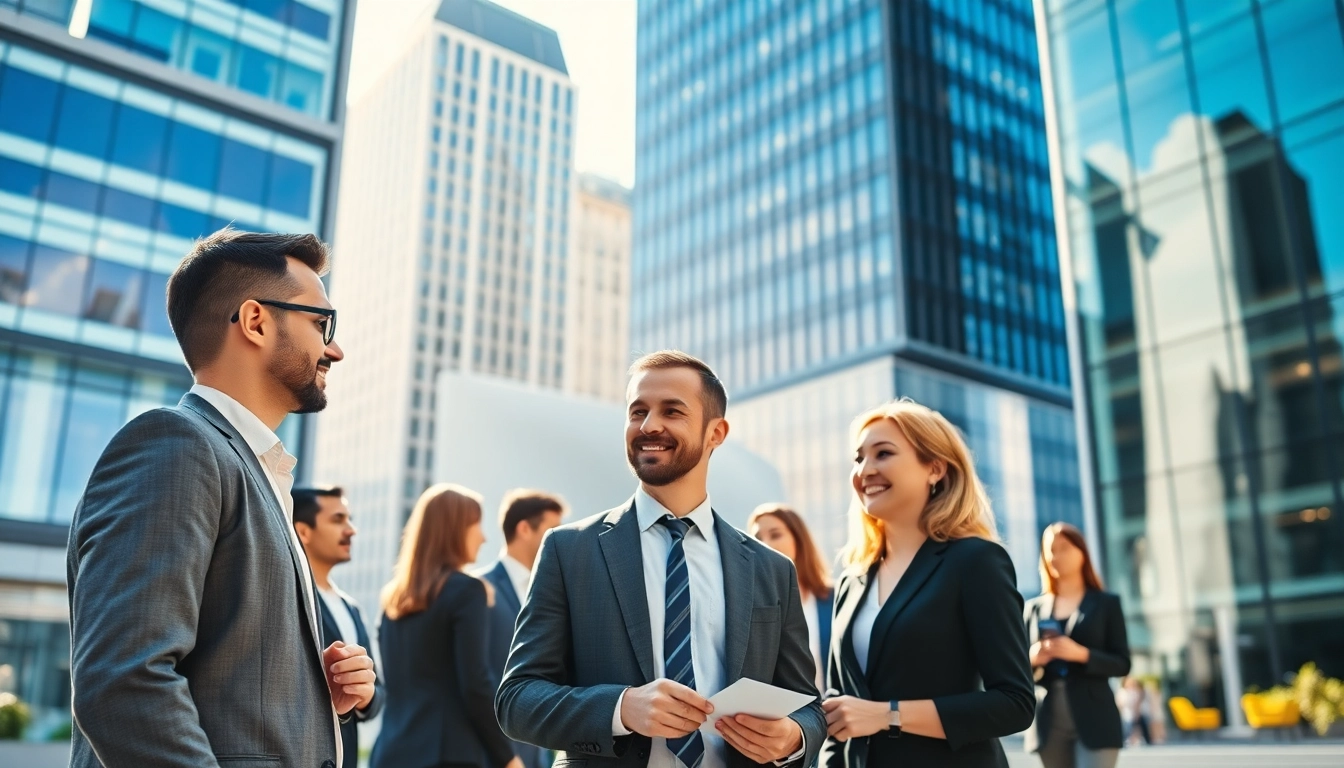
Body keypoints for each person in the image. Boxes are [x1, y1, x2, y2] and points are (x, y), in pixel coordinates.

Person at [66, 228, 375, 768]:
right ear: (256, 321)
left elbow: (227, 695)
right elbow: (125, 680)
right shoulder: (175, 445)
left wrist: (316, 697)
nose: (335, 348)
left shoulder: (251, 467)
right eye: (321, 322)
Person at [496, 350, 827, 767]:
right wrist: (621, 708)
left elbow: (810, 708)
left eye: (672, 411)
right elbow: (517, 700)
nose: (649, 425)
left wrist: (792, 736)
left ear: (715, 433)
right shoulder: (569, 550)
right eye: (638, 412)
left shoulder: (771, 569)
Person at [819, 398, 1034, 768]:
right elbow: (842, 712)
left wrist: (889, 715)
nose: (865, 470)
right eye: (858, 458)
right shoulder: (852, 581)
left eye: (883, 453)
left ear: (934, 468)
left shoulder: (975, 561)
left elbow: (1014, 704)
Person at [371, 483, 523, 768]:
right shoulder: (467, 591)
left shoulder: (392, 600)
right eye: (476, 525)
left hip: (390, 753)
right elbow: (476, 685)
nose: (483, 537)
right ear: (454, 529)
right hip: (448, 754)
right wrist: (507, 758)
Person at [1023, 523, 1131, 768]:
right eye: (1050, 550)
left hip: (1096, 718)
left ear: (1082, 553)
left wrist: (1082, 654)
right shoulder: (1033, 609)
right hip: (1049, 722)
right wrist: (1032, 658)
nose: (1055, 556)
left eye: (1064, 548)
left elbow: (1122, 663)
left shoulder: (1106, 604)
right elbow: (1015, 669)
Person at [293, 485, 386, 767]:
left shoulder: (352, 607)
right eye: (338, 519)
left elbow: (377, 692)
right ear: (303, 532)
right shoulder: (289, 598)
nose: (351, 529)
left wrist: (365, 694)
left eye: (349, 518)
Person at [481, 489, 568, 768]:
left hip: (536, 755)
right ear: (524, 529)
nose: (560, 538)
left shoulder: (554, 592)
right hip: (489, 757)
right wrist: (504, 756)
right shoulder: (477, 590)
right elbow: (475, 681)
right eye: (552, 529)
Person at [748, 503, 835, 691]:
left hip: (836, 713)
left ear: (799, 540)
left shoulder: (836, 598)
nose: (765, 544)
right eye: (757, 538)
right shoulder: (751, 609)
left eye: (775, 535)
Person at [1116, 677, 1150, 746]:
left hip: (1134, 713)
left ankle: (1143, 739)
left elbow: (1137, 703)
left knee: (1137, 726)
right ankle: (1125, 740)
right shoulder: (1122, 692)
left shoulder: (1135, 692)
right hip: (1126, 714)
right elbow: (1120, 704)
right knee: (1127, 728)